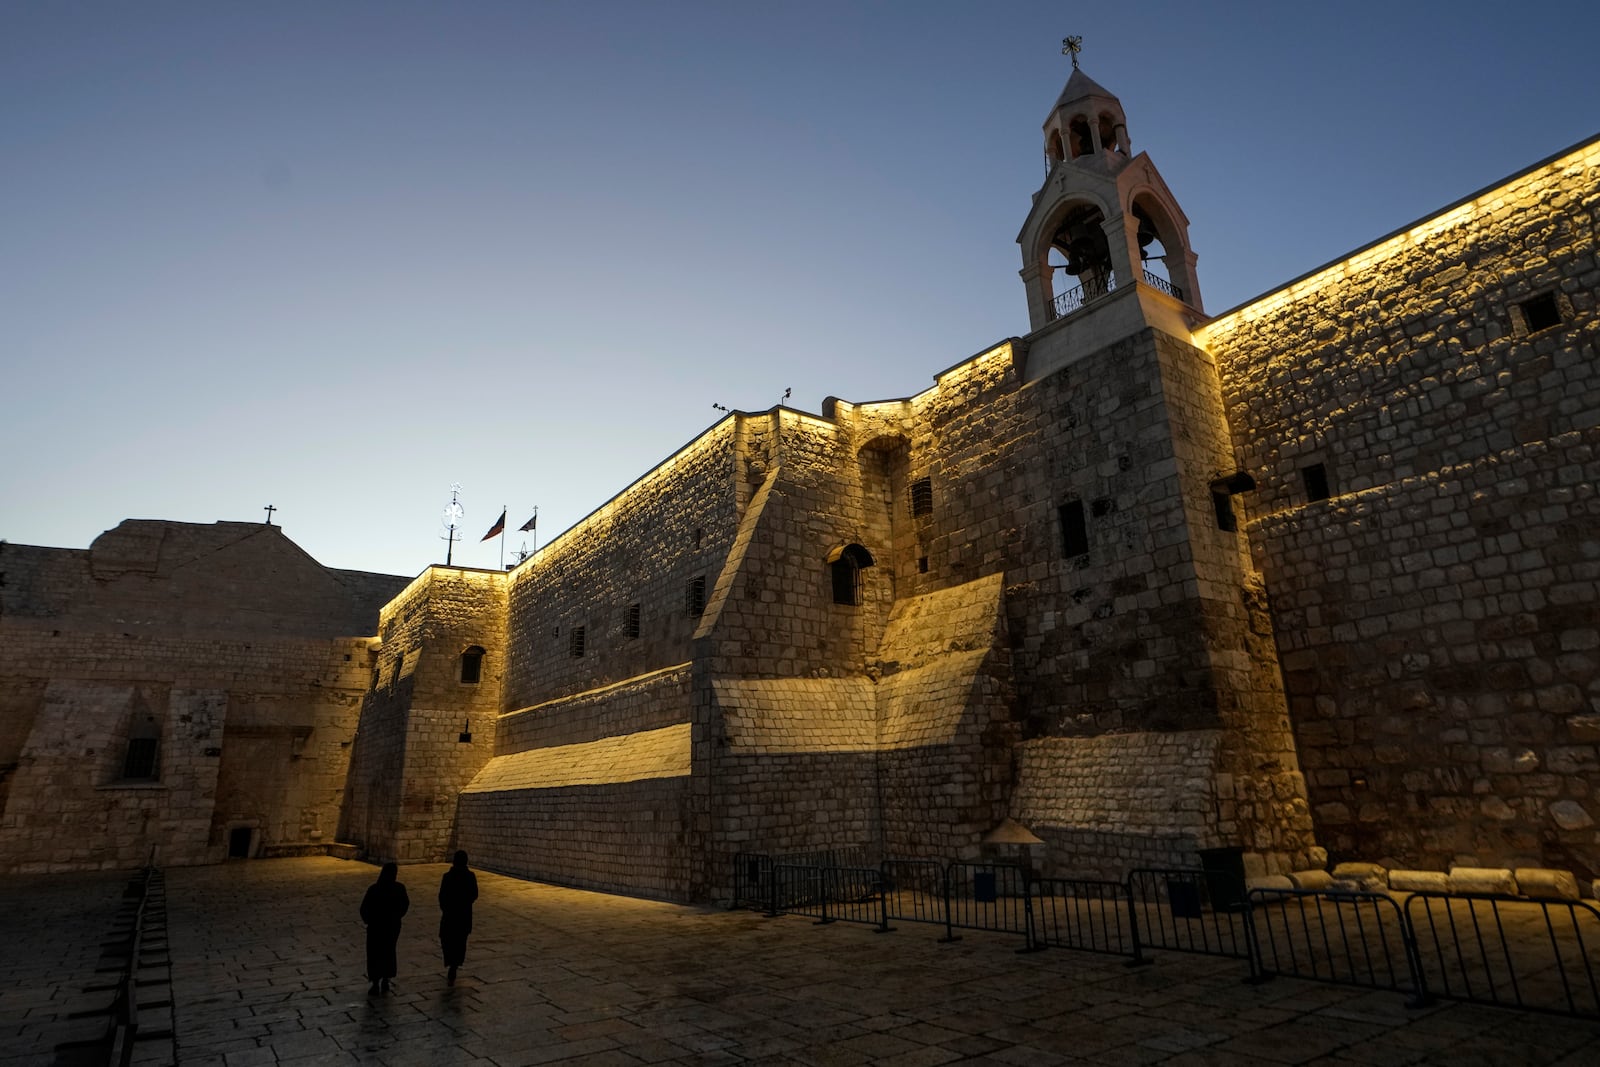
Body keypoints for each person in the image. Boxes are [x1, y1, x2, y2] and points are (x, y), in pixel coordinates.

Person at [360, 862, 410, 995]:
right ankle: (386, 979)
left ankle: (375, 982)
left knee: (375, 954)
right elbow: (404, 905)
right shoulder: (399, 888)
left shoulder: (374, 889)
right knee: (388, 952)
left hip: (376, 928)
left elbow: (364, 908)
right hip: (392, 927)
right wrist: (396, 917)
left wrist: (369, 921)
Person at [438, 850, 479, 985]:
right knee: (460, 941)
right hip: (463, 915)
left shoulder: (447, 877)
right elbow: (474, 894)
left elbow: (442, 896)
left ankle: (451, 963)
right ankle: (455, 964)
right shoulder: (470, 876)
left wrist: (446, 908)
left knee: (448, 940)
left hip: (450, 915)